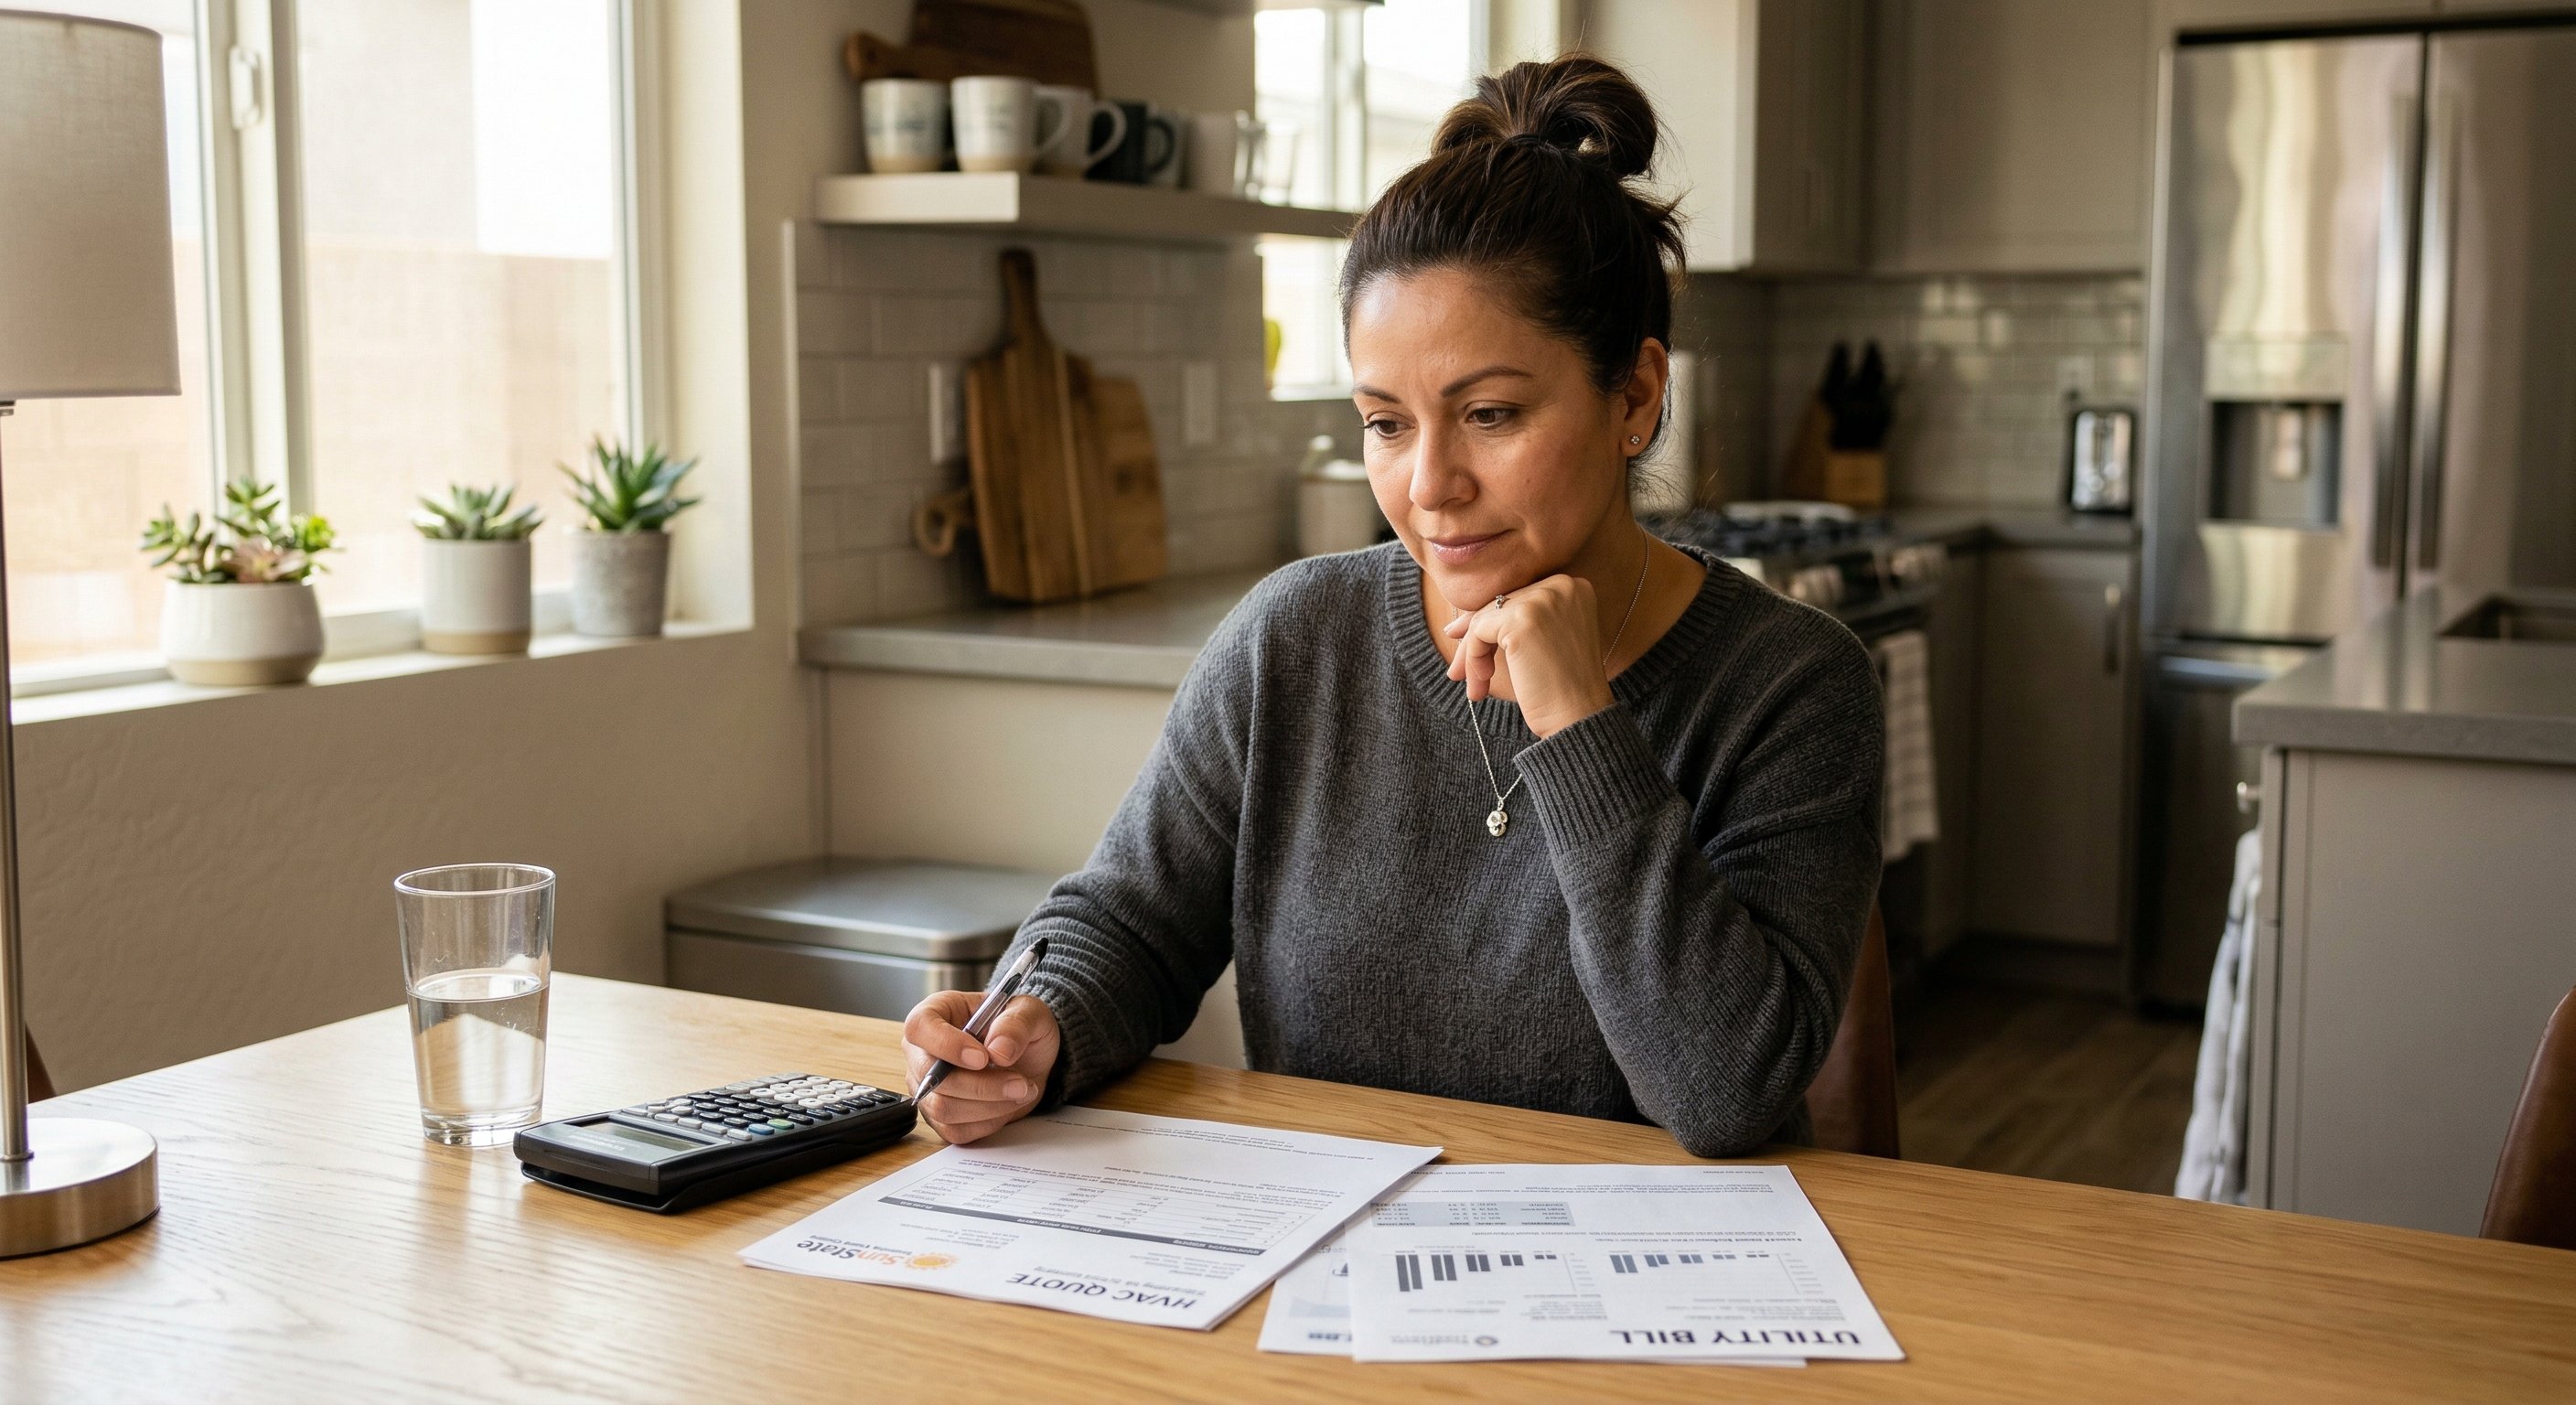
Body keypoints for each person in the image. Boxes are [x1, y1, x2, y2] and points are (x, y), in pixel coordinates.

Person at [901, 54, 1884, 1158]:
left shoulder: (1793, 682)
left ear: (1636, 396)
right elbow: (1125, 924)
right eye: (1385, 422)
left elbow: (1727, 1090)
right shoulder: (1293, 638)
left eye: (1492, 414)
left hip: (1641, 1300)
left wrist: (1580, 728)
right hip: (1330, 1268)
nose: (1427, 487)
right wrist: (1042, 1027)